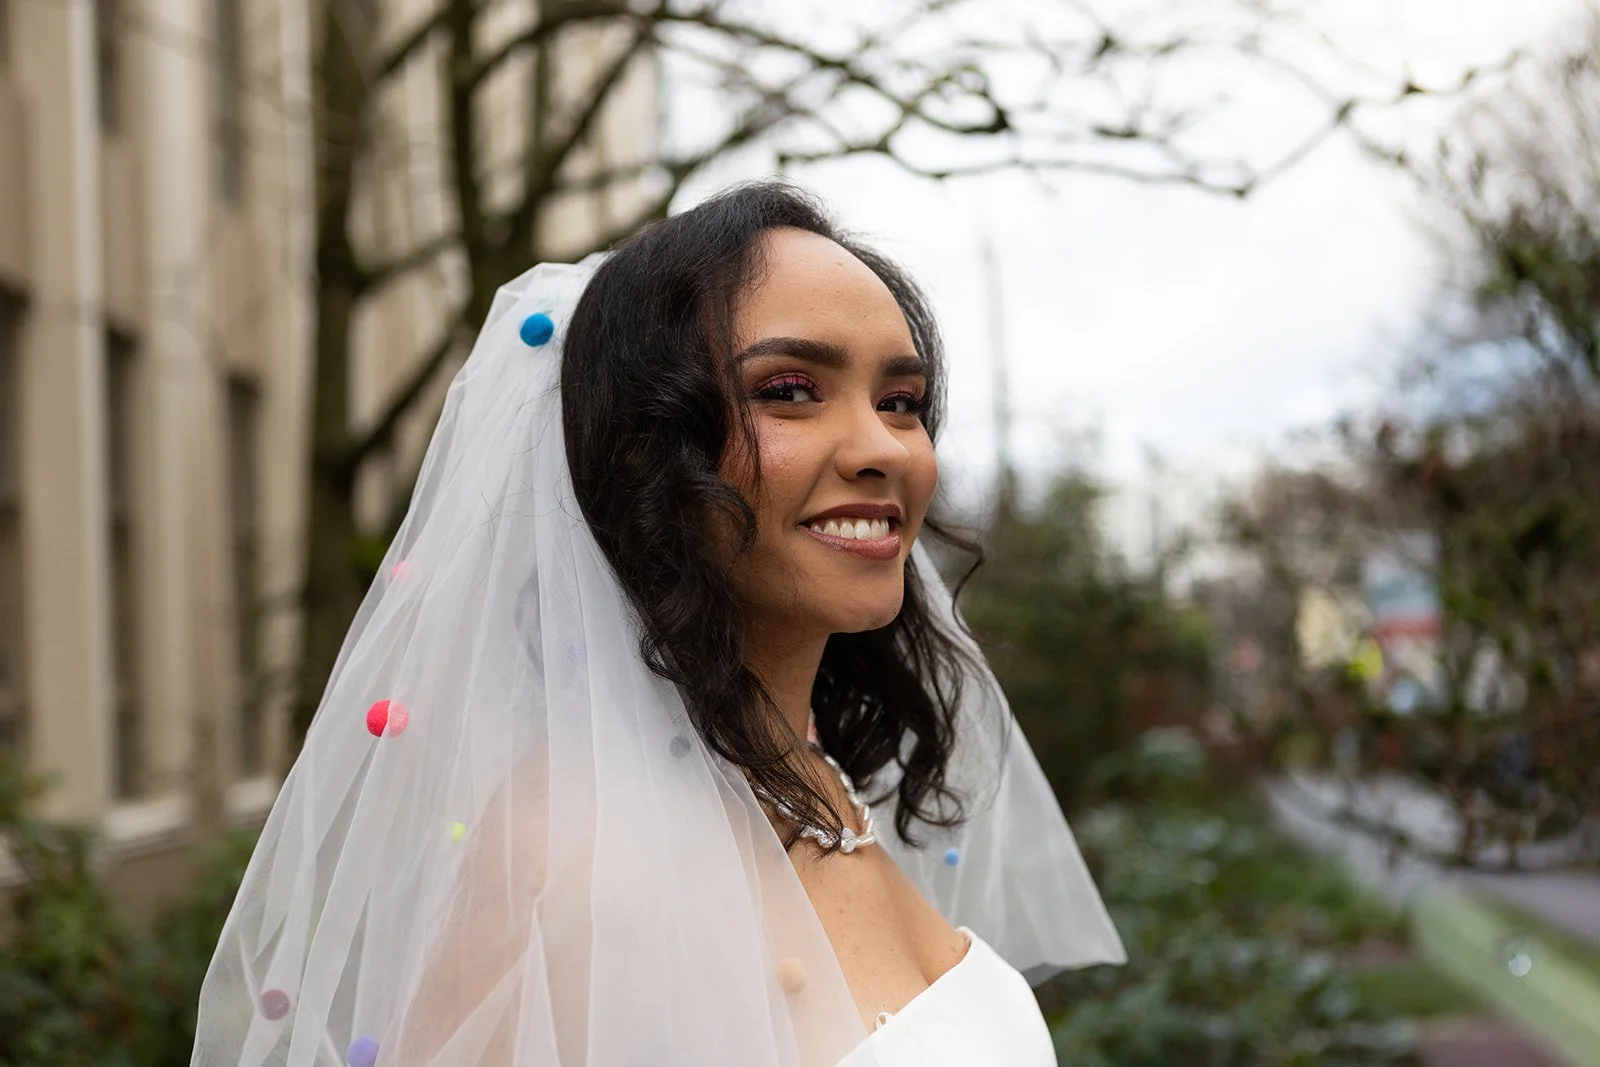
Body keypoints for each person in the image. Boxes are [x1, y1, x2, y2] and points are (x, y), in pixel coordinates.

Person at [191, 181, 1123, 1067]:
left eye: (901, 402)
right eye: (790, 389)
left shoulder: (821, 778)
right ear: (650, 450)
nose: (882, 447)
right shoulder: (574, 859)